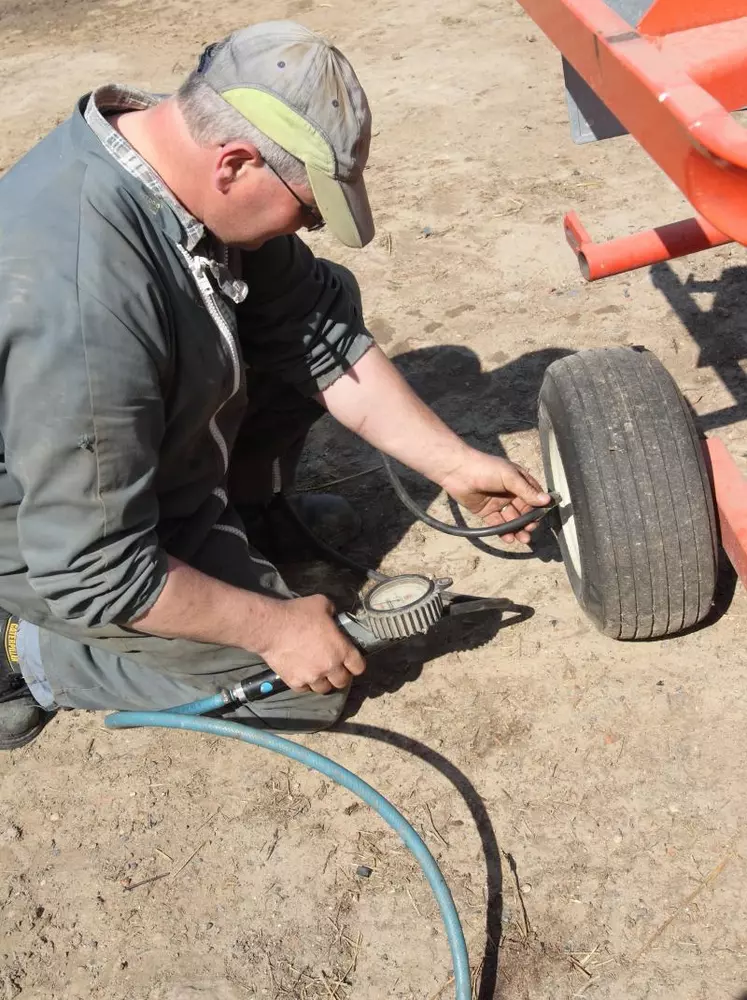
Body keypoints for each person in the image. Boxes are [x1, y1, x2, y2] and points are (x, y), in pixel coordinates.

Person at [0, 21, 550, 749]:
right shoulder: (82, 307)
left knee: (291, 311)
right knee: (299, 686)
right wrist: (273, 626)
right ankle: (29, 655)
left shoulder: (173, 159)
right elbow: (94, 567)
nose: (311, 225)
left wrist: (455, 466)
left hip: (106, 457)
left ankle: (242, 517)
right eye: (307, 205)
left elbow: (315, 329)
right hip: (48, 534)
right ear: (235, 164)